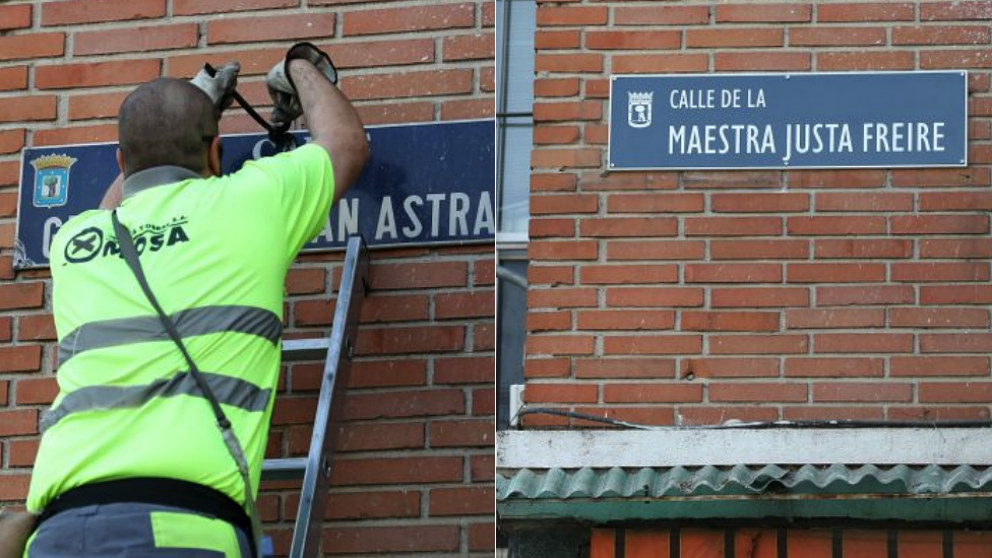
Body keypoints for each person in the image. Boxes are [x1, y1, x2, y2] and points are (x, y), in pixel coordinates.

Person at [19, 43, 369, 558]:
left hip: (60, 532)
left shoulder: (74, 244)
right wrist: (299, 68)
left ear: (120, 160)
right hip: (187, 527)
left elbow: (115, 209)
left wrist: (196, 101)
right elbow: (345, 145)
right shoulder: (251, 201)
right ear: (215, 153)